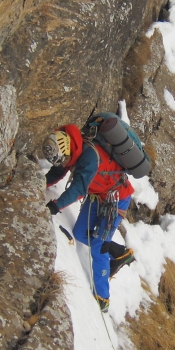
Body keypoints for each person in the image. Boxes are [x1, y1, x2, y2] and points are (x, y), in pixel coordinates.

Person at [43, 123, 135, 312]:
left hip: (117, 198)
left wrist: (56, 205)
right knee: (79, 233)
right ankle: (120, 253)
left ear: (67, 149)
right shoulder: (71, 149)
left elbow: (78, 188)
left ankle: (103, 298)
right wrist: (40, 183)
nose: (64, 162)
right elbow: (58, 172)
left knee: (98, 246)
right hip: (99, 194)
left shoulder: (89, 157)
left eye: (65, 159)